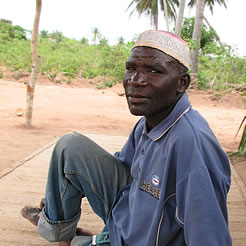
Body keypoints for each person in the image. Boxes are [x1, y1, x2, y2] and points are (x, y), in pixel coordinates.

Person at [21, 30, 232, 246]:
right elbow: (123, 171)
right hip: (129, 219)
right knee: (70, 147)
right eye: (131, 68)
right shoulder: (147, 122)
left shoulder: (191, 144)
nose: (135, 80)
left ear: (182, 83)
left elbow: (210, 236)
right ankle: (67, 235)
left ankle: (85, 237)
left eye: (154, 71)